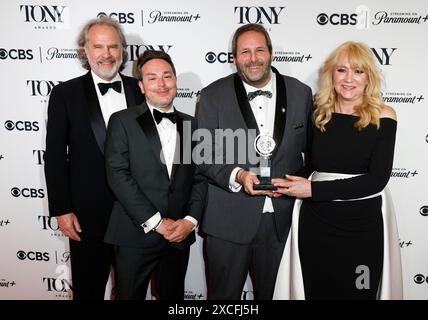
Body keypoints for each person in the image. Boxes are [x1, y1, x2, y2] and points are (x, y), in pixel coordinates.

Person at [272, 41, 403, 300]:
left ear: (369, 78)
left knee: (359, 292)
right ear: (332, 75)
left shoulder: (384, 115)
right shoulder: (320, 113)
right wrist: (288, 182)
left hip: (361, 226)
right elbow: (317, 164)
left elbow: (376, 180)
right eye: (341, 70)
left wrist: (311, 189)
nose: (349, 79)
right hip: (316, 224)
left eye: (358, 71)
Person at [196, 23, 313, 300]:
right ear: (234, 57)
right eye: (245, 52)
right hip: (227, 221)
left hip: (282, 222)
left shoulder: (301, 93)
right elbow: (203, 155)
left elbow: (313, 153)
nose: (253, 58)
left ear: (271, 53)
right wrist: (238, 176)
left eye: (260, 50)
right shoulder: (212, 95)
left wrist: (292, 182)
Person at [44, 17, 144, 300]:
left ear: (123, 51)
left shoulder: (141, 89)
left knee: (132, 292)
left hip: (137, 213)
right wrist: (62, 209)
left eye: (113, 47)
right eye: (98, 46)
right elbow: (54, 156)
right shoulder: (65, 93)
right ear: (84, 50)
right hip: (86, 216)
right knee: (88, 291)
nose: (107, 54)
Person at [104, 50, 207, 300]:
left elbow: (199, 178)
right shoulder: (122, 121)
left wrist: (189, 221)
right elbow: (118, 175)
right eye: (152, 78)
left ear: (175, 81)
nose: (161, 84)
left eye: (167, 76)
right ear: (141, 85)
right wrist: (157, 223)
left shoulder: (191, 125)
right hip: (135, 233)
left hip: (178, 235)